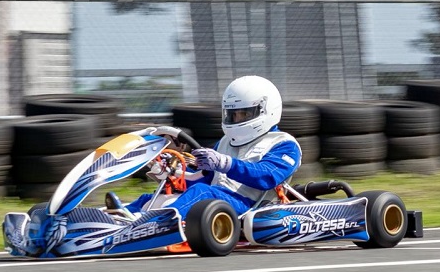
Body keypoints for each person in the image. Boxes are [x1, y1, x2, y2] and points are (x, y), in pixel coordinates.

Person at [108, 75, 302, 219]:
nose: (237, 120)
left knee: (202, 192)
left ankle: (152, 224)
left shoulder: (284, 144)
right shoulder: (226, 142)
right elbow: (206, 177)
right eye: (233, 115)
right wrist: (175, 174)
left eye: (243, 114)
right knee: (155, 196)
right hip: (218, 200)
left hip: (250, 204)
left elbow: (267, 176)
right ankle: (119, 219)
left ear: (265, 110)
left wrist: (225, 163)